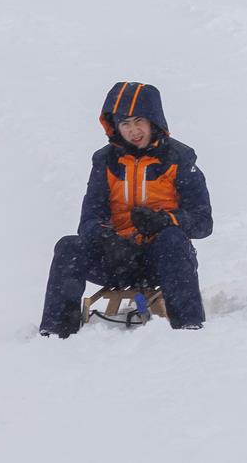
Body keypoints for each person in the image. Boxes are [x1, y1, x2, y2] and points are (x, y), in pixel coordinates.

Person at [39, 81, 213, 336]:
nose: (133, 131)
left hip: (164, 260)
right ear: (115, 127)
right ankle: (56, 333)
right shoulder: (105, 161)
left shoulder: (179, 159)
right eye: (125, 124)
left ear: (153, 121)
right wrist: (105, 238)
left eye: (138, 121)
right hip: (117, 259)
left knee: (172, 239)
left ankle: (189, 327)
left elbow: (203, 222)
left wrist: (165, 221)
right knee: (68, 246)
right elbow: (88, 220)